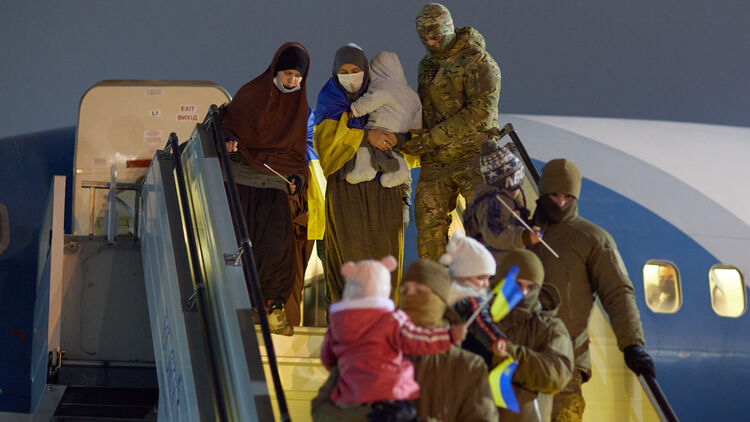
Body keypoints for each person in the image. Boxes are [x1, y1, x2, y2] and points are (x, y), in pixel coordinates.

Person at [527, 159, 654, 421]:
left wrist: (632, 345)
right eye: (554, 195)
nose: (561, 202)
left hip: (566, 361)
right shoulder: (517, 233)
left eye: (568, 196)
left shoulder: (593, 239)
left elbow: (618, 292)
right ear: (542, 192)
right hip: (518, 357)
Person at [312, 259, 499, 422]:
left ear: (440, 298)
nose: (410, 297)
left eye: (420, 291)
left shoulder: (466, 365)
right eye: (404, 290)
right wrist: (367, 417)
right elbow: (322, 408)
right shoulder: (367, 348)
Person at [398, 3, 502, 262]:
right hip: (436, 161)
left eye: (437, 37)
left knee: (485, 230)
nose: (432, 43)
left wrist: (432, 138)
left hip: (474, 157)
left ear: (449, 30)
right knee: (429, 230)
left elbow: (480, 112)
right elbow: (426, 110)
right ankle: (434, 292)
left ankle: (484, 291)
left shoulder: (479, 61)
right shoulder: (426, 65)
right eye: (426, 39)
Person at [221, 42, 311, 336]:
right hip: (242, 178)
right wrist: (230, 139)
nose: (292, 81)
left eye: (298, 76)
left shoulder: (299, 106)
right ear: (275, 70)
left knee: (277, 249)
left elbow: (298, 151)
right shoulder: (250, 94)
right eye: (287, 74)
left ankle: (271, 309)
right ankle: (237, 309)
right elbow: (227, 124)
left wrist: (298, 176)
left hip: (275, 182)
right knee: (241, 246)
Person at [313, 44, 406, 306]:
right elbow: (327, 146)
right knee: (349, 259)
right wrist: (366, 135)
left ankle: (384, 326)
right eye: (344, 71)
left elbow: (406, 134)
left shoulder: (384, 95)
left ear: (365, 72)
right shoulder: (329, 100)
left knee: (386, 259)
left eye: (355, 70)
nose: (350, 76)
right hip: (346, 191)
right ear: (334, 73)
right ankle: (349, 323)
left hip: (384, 191)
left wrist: (392, 138)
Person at [463, 139, 541, 274]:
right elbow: (496, 235)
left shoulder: (494, 202)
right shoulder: (494, 203)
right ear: (514, 179)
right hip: (498, 271)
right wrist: (524, 237)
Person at [346, 51, 421, 189]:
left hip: (379, 127)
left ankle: (365, 169)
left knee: (364, 146)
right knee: (393, 152)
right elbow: (417, 123)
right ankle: (401, 172)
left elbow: (371, 100)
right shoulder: (413, 95)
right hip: (398, 133)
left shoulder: (383, 87)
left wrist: (354, 110)